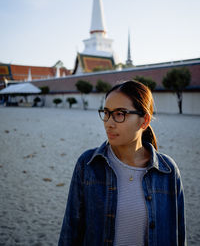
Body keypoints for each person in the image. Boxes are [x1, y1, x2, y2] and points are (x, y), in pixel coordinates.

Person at [58, 80, 186, 246]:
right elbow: (70, 233)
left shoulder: (167, 172)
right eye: (106, 113)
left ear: (144, 121)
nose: (109, 123)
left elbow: (179, 236)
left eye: (120, 114)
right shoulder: (88, 165)